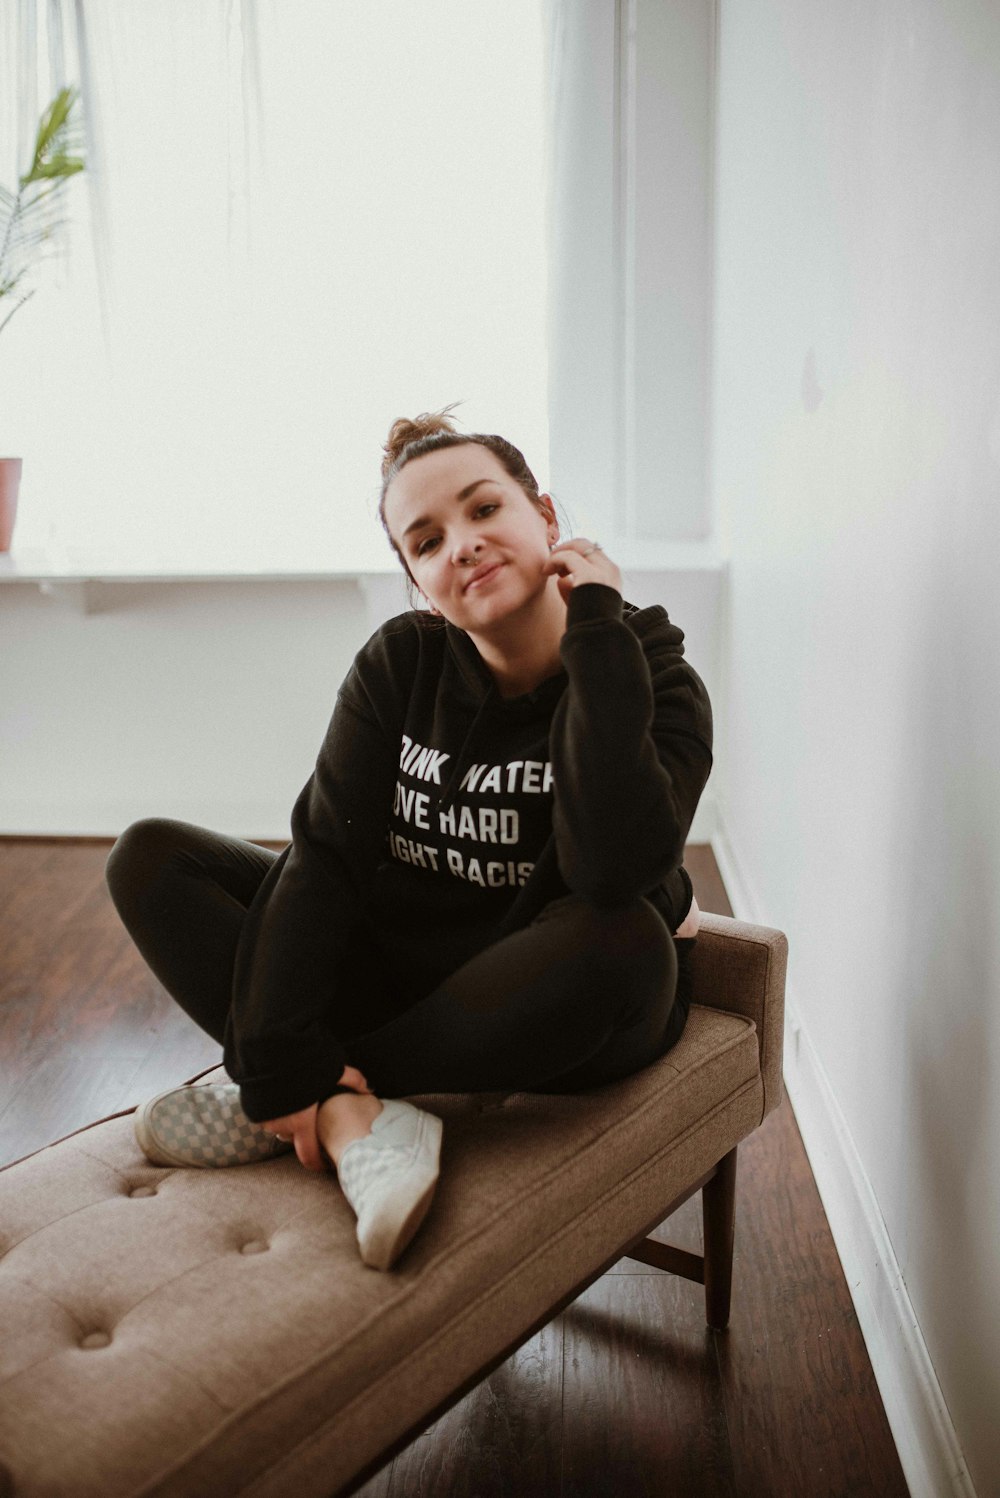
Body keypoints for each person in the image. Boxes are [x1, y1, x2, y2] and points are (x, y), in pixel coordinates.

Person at [105, 407, 713, 1272]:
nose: (460, 545)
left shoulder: (646, 667)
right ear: (416, 579)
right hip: (403, 976)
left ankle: (307, 1096)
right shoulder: (402, 661)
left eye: (484, 510)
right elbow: (324, 857)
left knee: (621, 937)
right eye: (425, 542)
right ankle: (341, 1110)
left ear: (546, 517)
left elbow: (610, 868)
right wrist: (278, 1043)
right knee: (152, 856)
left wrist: (598, 635)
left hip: (551, 1002)